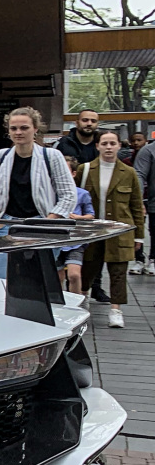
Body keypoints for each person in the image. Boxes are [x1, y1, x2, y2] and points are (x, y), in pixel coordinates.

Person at [0, 106, 77, 279]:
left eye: (24, 128)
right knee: (3, 282)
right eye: (13, 128)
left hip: (41, 225)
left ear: (35, 129)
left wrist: (48, 222)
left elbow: (69, 195)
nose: (18, 132)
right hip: (5, 225)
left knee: (36, 282)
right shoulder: (0, 156)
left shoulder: (52, 156)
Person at [78, 130, 145, 328]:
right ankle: (83, 299)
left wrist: (139, 237)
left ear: (118, 146)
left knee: (118, 271)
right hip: (91, 230)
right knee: (87, 269)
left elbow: (135, 205)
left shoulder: (129, 172)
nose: (108, 147)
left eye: (112, 143)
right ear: (97, 146)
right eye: (104, 143)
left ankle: (116, 310)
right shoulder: (85, 169)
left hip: (119, 231)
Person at [56, 154, 95, 295]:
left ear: (73, 174)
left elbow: (91, 215)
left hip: (75, 240)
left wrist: (78, 217)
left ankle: (77, 303)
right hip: (56, 240)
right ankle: (59, 306)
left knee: (74, 274)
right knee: (58, 276)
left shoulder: (82, 194)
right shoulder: (52, 193)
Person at [133, 132, 155, 275]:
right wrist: (138, 199)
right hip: (151, 200)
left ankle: (153, 259)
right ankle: (140, 259)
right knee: (146, 229)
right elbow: (139, 174)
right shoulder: (148, 151)